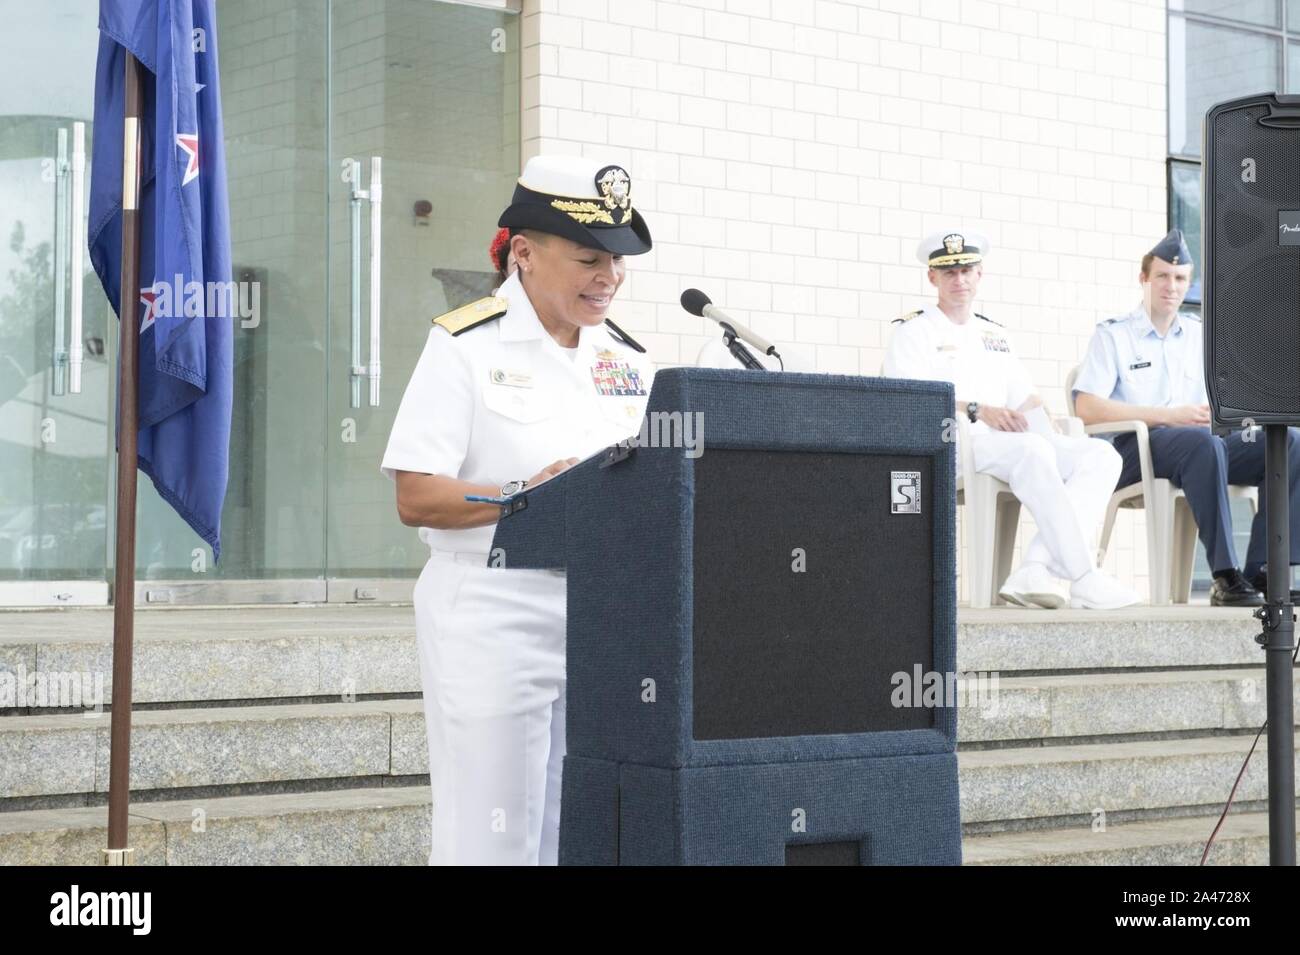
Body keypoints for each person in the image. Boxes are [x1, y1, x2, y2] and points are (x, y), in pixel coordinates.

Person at [381, 155, 655, 864]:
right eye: (590, 257)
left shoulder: (627, 359)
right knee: (492, 837)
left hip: (598, 615)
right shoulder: (465, 344)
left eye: (619, 262)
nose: (610, 277)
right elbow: (416, 492)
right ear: (525, 254)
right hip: (491, 610)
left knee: (574, 834)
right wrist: (522, 495)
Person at [884, 229, 1139, 610]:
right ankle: (1084, 577)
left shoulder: (994, 334)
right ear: (932, 278)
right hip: (951, 441)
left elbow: (1025, 397)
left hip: (1009, 441)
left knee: (1101, 456)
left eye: (967, 271)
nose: (959, 279)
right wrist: (978, 409)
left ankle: (1034, 568)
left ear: (979, 275)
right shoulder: (914, 332)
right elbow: (908, 400)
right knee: (1032, 449)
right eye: (949, 272)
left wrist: (1053, 427)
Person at [1073, 228, 1300, 607]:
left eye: (1179, 278)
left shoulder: (1200, 337)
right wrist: (1168, 416)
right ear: (1143, 279)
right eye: (1162, 276)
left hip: (1203, 445)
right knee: (1202, 443)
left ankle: (1264, 569)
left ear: (1189, 283)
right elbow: (1087, 407)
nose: (1171, 286)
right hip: (1135, 449)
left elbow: (1227, 395)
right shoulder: (1114, 336)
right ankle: (1225, 576)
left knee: (1289, 441)